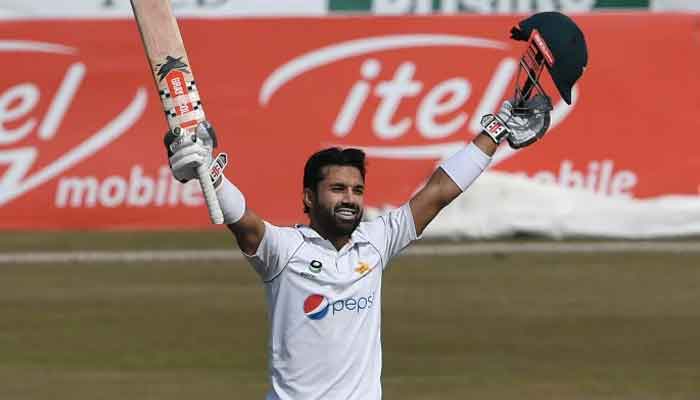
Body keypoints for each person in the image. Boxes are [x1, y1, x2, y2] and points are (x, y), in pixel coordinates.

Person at [163, 93, 550, 400]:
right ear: (309, 197)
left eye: (357, 190)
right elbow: (246, 224)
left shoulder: (376, 242)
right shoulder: (285, 250)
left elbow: (437, 193)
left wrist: (496, 130)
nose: (349, 198)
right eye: (337, 189)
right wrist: (210, 177)